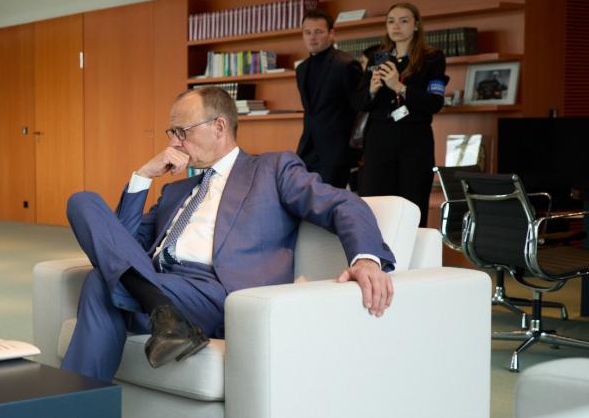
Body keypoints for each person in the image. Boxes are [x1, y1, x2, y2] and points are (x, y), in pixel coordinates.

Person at [62, 87, 395, 382]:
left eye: (182, 132)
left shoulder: (272, 169)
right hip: (160, 282)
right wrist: (143, 176)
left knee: (100, 283)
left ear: (219, 127)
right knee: (83, 202)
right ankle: (161, 312)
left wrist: (366, 259)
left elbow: (342, 204)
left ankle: (73, 414)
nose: (173, 143)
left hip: (217, 292)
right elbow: (119, 245)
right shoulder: (175, 191)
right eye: (171, 133)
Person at [351, 2, 447, 227]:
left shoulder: (432, 58)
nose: (396, 26)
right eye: (391, 21)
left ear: (416, 25)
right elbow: (358, 102)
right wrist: (372, 90)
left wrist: (399, 87)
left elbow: (435, 103)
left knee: (412, 202)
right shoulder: (377, 57)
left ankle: (411, 249)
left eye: (404, 21)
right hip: (379, 138)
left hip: (414, 139)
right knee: (375, 202)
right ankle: (374, 248)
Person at [295, 9, 364, 188]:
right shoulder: (301, 69)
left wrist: (354, 151)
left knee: (329, 201)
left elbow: (360, 107)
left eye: (318, 31)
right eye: (307, 32)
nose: (312, 37)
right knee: (305, 199)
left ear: (332, 33)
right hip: (307, 148)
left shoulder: (346, 64)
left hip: (336, 151)